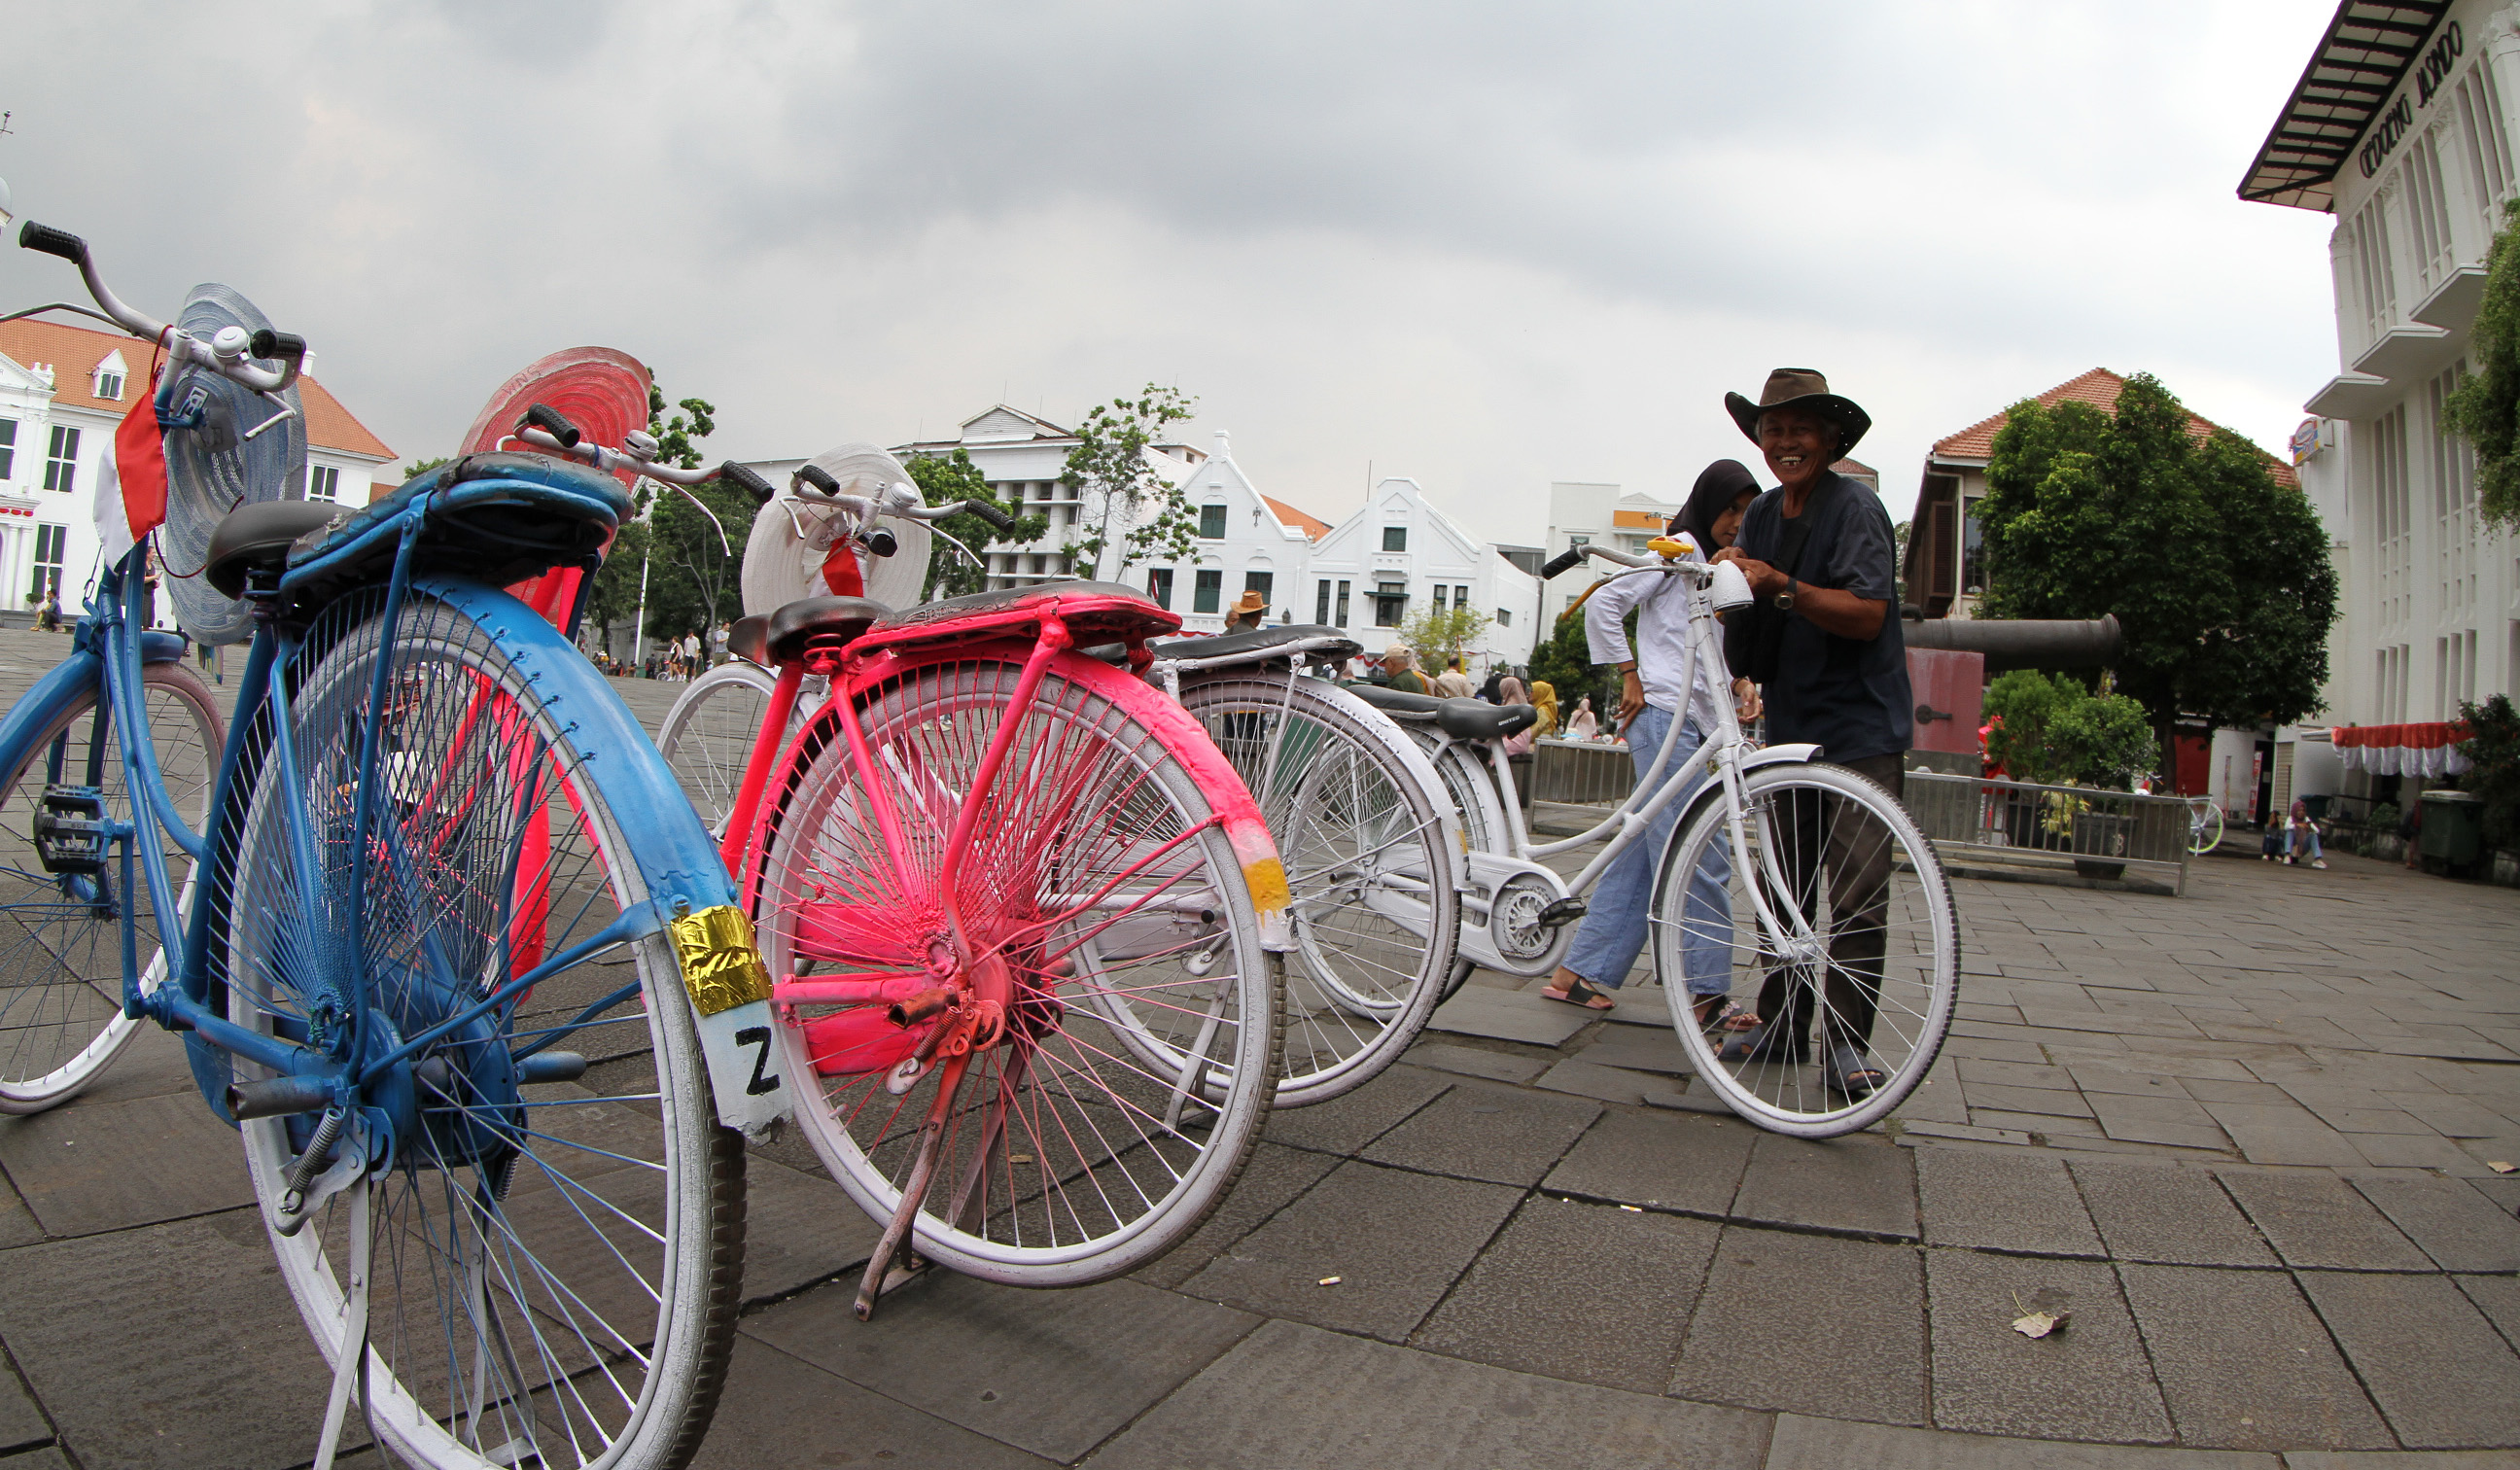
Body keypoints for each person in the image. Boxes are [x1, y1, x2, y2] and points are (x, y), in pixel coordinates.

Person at [1712, 368, 1911, 1099]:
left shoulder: (1857, 510)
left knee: (1857, 891)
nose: (1785, 442)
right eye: (1773, 429)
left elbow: (1868, 614)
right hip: (1793, 724)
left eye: (1800, 429)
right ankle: (1784, 1020)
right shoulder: (1762, 514)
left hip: (1860, 727)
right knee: (1784, 884)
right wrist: (1730, 585)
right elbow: (1749, 627)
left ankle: (1847, 1043)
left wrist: (1778, 584)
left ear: (1829, 440)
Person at [1541, 459, 1767, 1033]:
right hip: (1661, 715)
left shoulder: (1719, 568)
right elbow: (1603, 603)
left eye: (1746, 511)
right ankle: (1707, 994)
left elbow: (1708, 644)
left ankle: (1579, 974)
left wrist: (1739, 684)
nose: (1736, 522)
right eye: (1729, 509)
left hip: (1690, 719)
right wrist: (1628, 674)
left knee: (1646, 854)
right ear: (1707, 504)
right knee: (1701, 854)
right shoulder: (1676, 550)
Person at [2281, 799, 2328, 869]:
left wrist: (2308, 827)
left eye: (2303, 810)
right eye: (2299, 810)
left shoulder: (2306, 819)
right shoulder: (2290, 818)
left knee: (2313, 835)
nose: (2301, 812)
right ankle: (2287, 855)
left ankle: (2318, 859)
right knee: (2289, 832)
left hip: (2301, 847)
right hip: (2293, 846)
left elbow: (2317, 831)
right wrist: (2297, 825)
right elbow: (2286, 827)